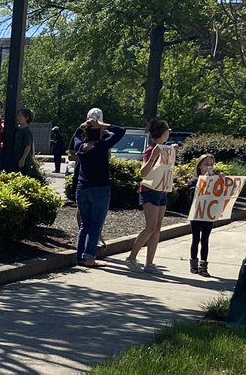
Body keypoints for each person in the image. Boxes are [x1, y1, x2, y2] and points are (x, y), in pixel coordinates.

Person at [72, 117, 126, 267]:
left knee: (85, 224)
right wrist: (103, 124)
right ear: (100, 133)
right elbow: (121, 132)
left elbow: (75, 136)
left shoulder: (80, 147)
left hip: (82, 189)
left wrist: (82, 125)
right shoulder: (102, 146)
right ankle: (89, 257)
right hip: (100, 189)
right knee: (95, 224)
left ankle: (80, 257)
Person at [126, 119, 175, 273]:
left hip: (161, 190)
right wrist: (154, 157)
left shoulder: (165, 149)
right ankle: (131, 257)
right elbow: (143, 172)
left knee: (157, 228)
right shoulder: (152, 149)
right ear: (164, 132)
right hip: (150, 190)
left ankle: (149, 263)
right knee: (151, 226)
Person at [187, 153, 223, 276]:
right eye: (206, 164)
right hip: (197, 213)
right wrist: (204, 182)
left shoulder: (215, 180)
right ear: (200, 166)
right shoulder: (194, 181)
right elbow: (192, 197)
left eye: (211, 164)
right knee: (195, 239)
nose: (209, 167)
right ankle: (193, 265)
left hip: (208, 213)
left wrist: (221, 180)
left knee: (205, 240)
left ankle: (203, 266)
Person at [9, 107, 35, 174]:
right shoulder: (18, 129)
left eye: (20, 116)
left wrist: (23, 159)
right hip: (15, 158)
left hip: (24, 161)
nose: (18, 117)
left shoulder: (26, 131)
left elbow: (28, 146)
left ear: (26, 118)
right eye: (18, 115)